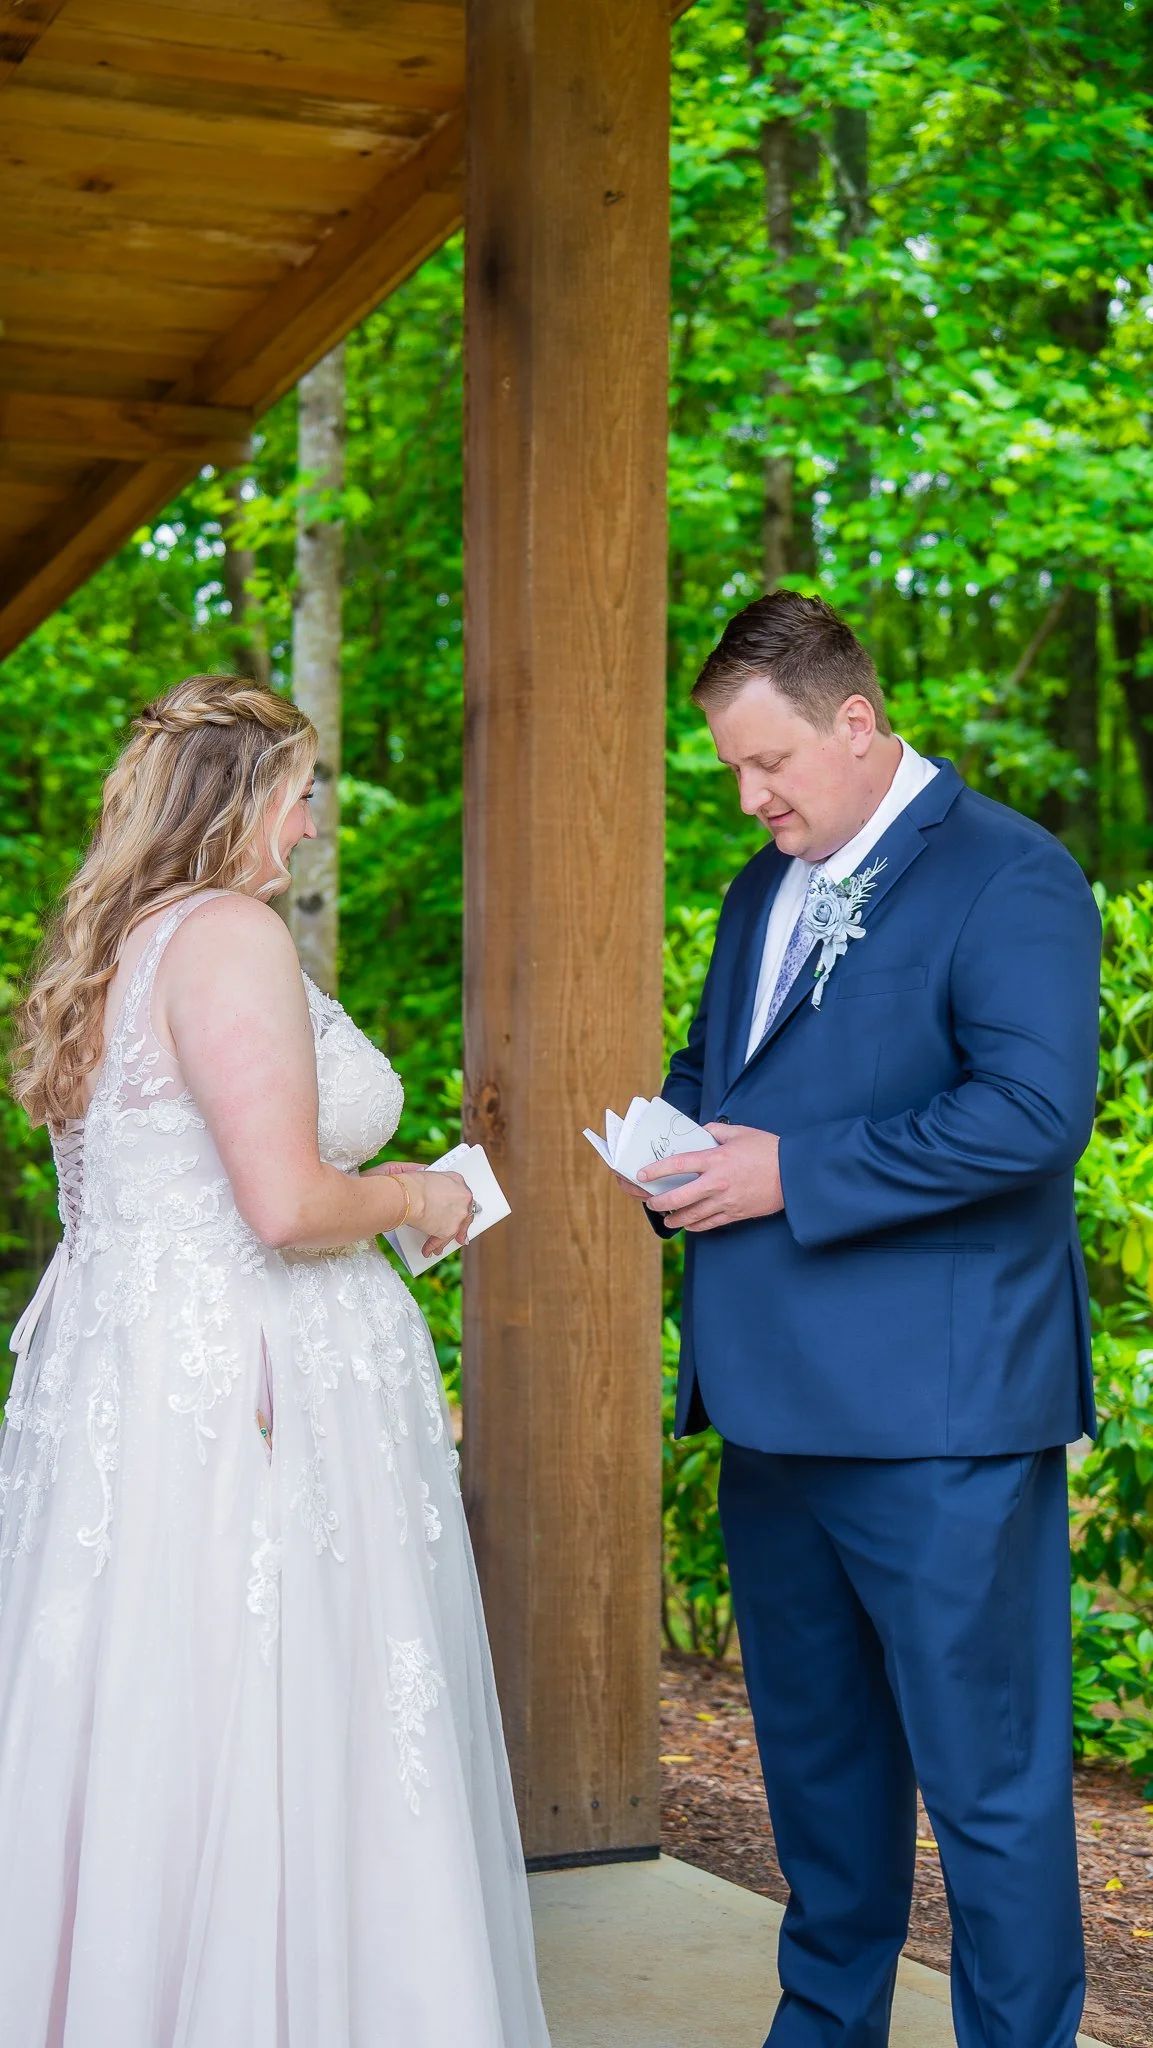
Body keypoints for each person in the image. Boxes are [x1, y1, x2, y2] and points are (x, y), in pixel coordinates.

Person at [0, 675, 550, 2048]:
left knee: (167, 1723)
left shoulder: (113, 946)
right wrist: (422, 1194)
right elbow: (288, 1206)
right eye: (302, 796)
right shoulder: (228, 936)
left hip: (147, 1384)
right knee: (271, 1721)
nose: (308, 827)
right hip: (247, 1397)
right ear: (241, 799)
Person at [618, 592, 1101, 2048]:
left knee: (989, 1787)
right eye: (732, 771)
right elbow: (724, 1071)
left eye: (769, 764)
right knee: (820, 1781)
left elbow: (1031, 1114)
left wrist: (790, 1174)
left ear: (857, 721)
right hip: (768, 1411)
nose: (751, 799)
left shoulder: (1011, 872)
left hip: (939, 1420)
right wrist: (676, 1152)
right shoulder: (757, 889)